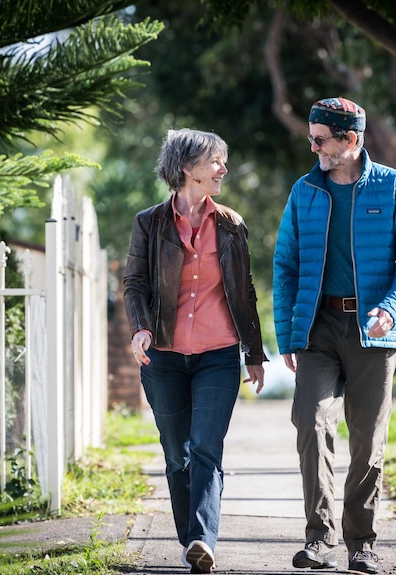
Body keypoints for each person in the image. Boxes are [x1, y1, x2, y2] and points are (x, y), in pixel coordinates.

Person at [273, 98, 396, 574]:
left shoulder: (395, 186)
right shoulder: (304, 191)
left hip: (374, 330)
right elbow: (286, 265)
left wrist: (391, 308)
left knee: (367, 440)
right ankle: (319, 539)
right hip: (319, 328)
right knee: (310, 422)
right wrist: (288, 335)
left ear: (351, 140)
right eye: (311, 137)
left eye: (320, 139)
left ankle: (362, 541)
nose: (312, 145)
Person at [123, 128, 267, 574]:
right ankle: (191, 541)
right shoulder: (150, 222)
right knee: (176, 453)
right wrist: (141, 329)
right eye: (215, 161)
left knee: (206, 447)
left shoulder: (231, 223)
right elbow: (135, 283)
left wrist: (255, 353)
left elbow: (244, 291)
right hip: (163, 355)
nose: (223, 169)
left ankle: (203, 538)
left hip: (217, 354)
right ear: (187, 168)